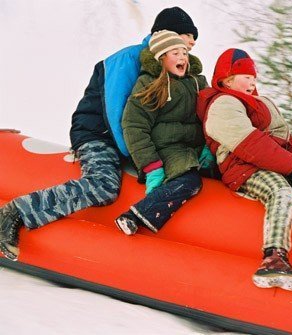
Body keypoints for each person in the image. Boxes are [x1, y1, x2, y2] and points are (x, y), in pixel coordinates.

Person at [0, 7, 201, 261]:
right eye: (186, 34)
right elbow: (119, 116)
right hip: (98, 133)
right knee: (104, 185)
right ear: (164, 33)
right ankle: (15, 212)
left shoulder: (173, 71)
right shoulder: (127, 59)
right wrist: (144, 162)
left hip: (127, 139)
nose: (193, 41)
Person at [196, 48, 292, 291]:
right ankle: (274, 257)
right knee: (279, 191)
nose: (252, 82)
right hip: (243, 168)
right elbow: (250, 142)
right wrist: (290, 165)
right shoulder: (222, 103)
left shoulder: (261, 103)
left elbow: (286, 136)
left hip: (275, 163)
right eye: (246, 77)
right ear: (227, 79)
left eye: (254, 77)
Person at [114, 30, 207, 235]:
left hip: (196, 147)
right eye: (175, 53)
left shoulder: (197, 83)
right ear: (161, 58)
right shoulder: (150, 84)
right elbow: (134, 125)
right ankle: (135, 215)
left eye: (184, 52)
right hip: (168, 148)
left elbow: (210, 115)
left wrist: (211, 146)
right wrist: (151, 166)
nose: (183, 56)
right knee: (190, 180)